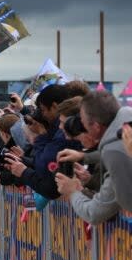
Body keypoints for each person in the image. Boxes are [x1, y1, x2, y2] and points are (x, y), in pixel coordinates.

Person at [55, 91, 132, 224]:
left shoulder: (115, 153)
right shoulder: (126, 121)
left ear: (96, 126)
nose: (82, 127)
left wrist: (72, 191)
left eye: (84, 123)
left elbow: (95, 213)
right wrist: (84, 156)